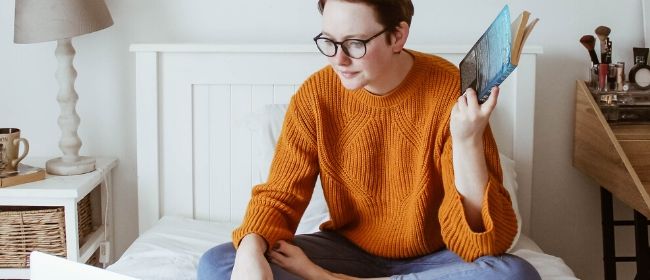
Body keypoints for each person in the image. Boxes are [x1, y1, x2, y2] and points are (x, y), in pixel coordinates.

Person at [198, 0, 541, 279]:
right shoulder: (315, 96)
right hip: (346, 250)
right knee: (219, 264)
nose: (339, 59)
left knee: (515, 275)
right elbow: (280, 197)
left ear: (397, 36)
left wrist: (467, 141)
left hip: (437, 256)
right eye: (329, 41)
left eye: (355, 43)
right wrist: (249, 250)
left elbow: (483, 246)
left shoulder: (448, 90)